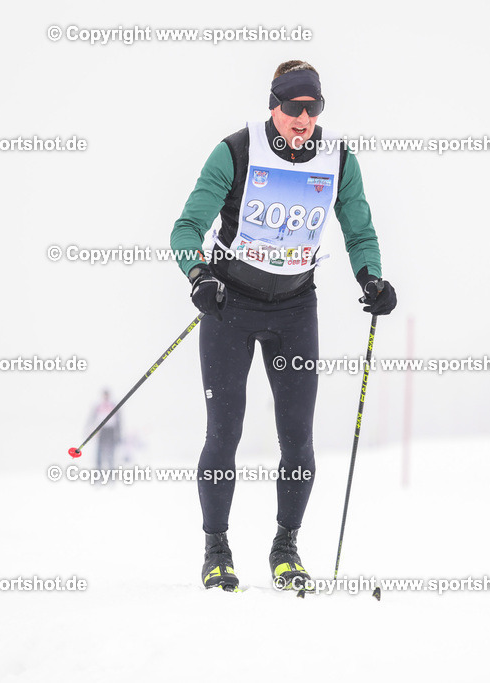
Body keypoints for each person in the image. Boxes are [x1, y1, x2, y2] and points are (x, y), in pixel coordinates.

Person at [170, 60, 397, 591]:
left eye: (313, 109)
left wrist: (372, 278)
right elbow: (187, 227)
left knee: (297, 439)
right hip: (230, 306)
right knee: (224, 433)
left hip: (295, 309)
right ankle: (216, 550)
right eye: (294, 107)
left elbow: (359, 229)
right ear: (274, 105)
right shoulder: (237, 151)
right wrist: (198, 276)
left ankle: (286, 547)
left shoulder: (338, 158)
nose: (303, 119)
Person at [88, 389, 121, 471]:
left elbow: (118, 420)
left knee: (111, 451)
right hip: (102, 430)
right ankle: (98, 470)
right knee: (99, 451)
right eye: (104, 395)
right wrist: (89, 429)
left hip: (110, 430)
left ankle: (111, 470)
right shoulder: (98, 406)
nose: (106, 397)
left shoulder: (113, 405)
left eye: (107, 395)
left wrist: (118, 433)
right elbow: (92, 418)